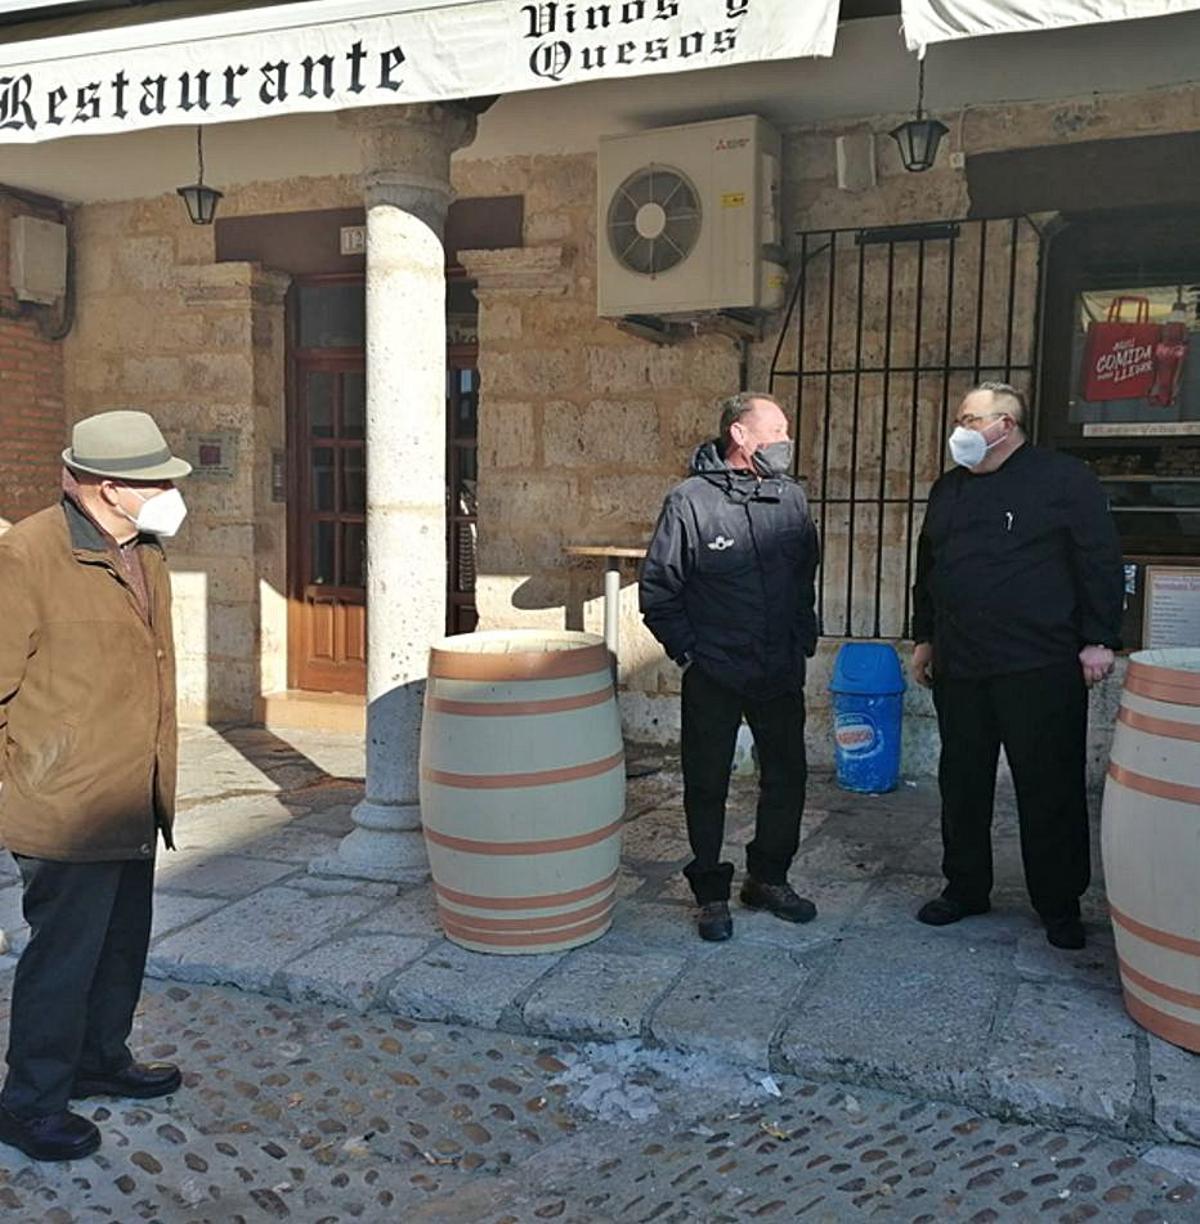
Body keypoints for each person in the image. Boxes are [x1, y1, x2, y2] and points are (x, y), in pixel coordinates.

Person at [0, 411, 192, 1162]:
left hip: (131, 795)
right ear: (109, 487)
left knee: (121, 945)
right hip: (65, 807)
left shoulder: (144, 550)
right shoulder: (28, 554)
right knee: (63, 957)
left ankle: (99, 1059)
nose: (172, 492)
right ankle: (29, 1104)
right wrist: (27, 776)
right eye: (157, 481)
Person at [911, 382, 1123, 951]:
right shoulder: (948, 490)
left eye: (970, 419)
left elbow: (1099, 558)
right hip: (962, 662)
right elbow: (929, 566)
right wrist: (925, 637)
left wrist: (1099, 639)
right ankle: (965, 886)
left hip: (1040, 663)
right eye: (960, 418)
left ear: (1006, 425)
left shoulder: (1063, 480)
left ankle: (1058, 903)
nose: (960, 429)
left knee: (1048, 787)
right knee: (961, 782)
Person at [640, 391, 820, 942]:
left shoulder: (791, 498)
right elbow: (659, 590)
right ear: (740, 435)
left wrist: (799, 641)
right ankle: (711, 892)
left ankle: (769, 877)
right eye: (777, 429)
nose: (786, 440)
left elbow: (802, 576)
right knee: (706, 782)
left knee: (787, 777)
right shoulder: (689, 501)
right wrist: (692, 652)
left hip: (778, 669)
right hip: (715, 670)